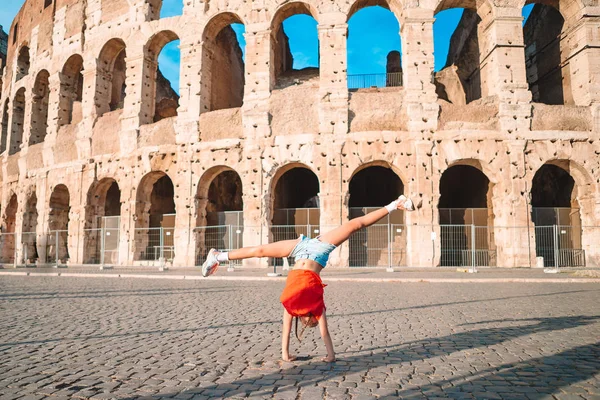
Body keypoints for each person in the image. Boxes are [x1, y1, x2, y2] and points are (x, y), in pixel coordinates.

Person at [201, 195, 415, 362]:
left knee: (260, 250)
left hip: (300, 250)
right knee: (355, 225)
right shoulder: (317, 307)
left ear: (303, 323)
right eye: (314, 322)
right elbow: (326, 333)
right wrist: (331, 355)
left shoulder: (291, 306)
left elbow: (285, 331)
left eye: (309, 323)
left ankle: (218, 256)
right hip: (320, 250)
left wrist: (285, 354)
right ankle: (395, 205)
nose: (312, 321)